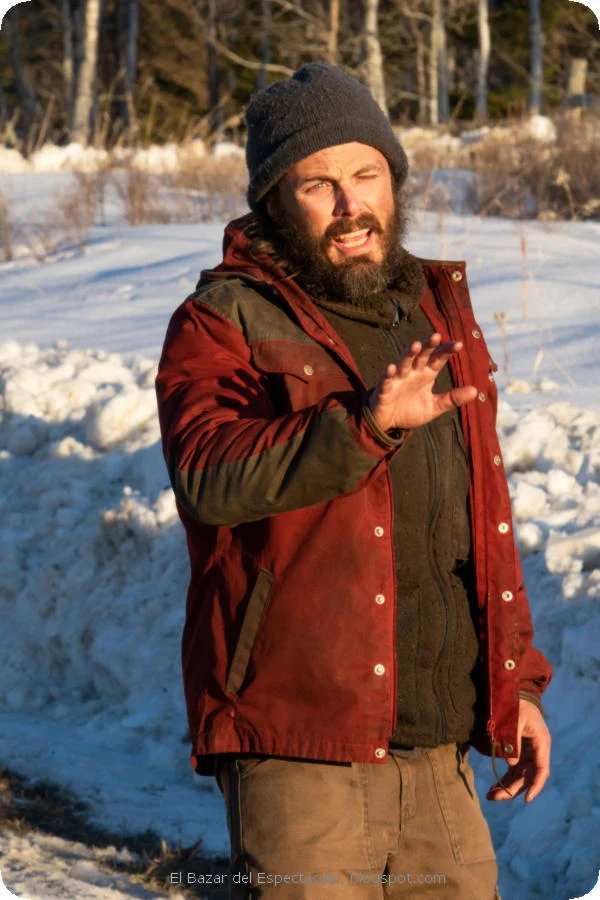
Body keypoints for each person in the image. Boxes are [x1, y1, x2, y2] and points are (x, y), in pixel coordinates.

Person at [156, 62, 552, 899]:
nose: (350, 205)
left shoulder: (435, 311)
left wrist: (515, 682)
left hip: (437, 749)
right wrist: (364, 428)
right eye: (318, 185)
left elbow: (478, 518)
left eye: (366, 175)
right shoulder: (223, 320)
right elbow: (209, 476)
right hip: (300, 746)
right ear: (274, 203)